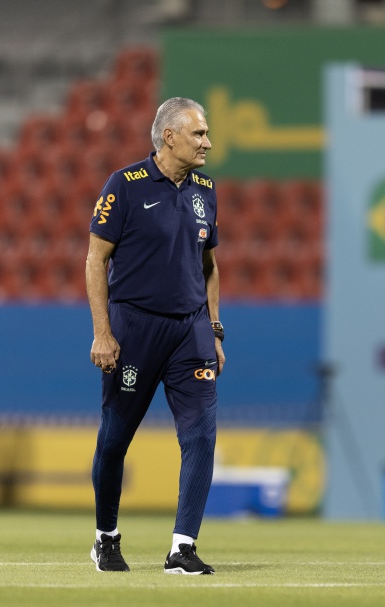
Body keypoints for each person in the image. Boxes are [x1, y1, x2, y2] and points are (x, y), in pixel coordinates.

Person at [86, 97, 225, 574]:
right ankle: (106, 537)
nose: (207, 142)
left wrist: (215, 329)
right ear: (169, 137)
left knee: (201, 436)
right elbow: (95, 260)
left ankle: (181, 548)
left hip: (190, 332)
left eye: (206, 134)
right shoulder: (124, 186)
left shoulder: (206, 188)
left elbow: (209, 266)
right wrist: (102, 333)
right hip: (134, 330)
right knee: (114, 440)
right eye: (199, 134)